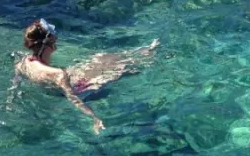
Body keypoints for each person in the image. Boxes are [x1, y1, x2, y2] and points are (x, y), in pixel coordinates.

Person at [13, 19, 161, 134]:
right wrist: (94, 118)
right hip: (78, 89)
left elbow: (16, 82)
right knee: (119, 70)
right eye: (55, 39)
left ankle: (144, 51)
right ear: (50, 43)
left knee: (102, 58)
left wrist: (10, 101)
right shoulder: (58, 74)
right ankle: (147, 56)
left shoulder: (23, 62)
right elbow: (73, 98)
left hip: (64, 84)